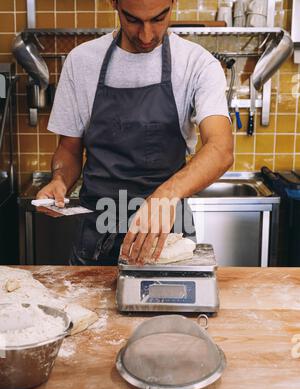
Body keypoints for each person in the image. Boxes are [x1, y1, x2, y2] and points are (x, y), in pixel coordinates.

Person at [37, 0, 233, 266]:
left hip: (166, 238)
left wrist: (165, 195)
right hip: (96, 236)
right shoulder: (82, 62)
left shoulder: (197, 64)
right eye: (133, 20)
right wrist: (60, 179)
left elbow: (220, 150)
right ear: (114, 4)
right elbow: (69, 149)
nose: (147, 35)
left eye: (159, 18)